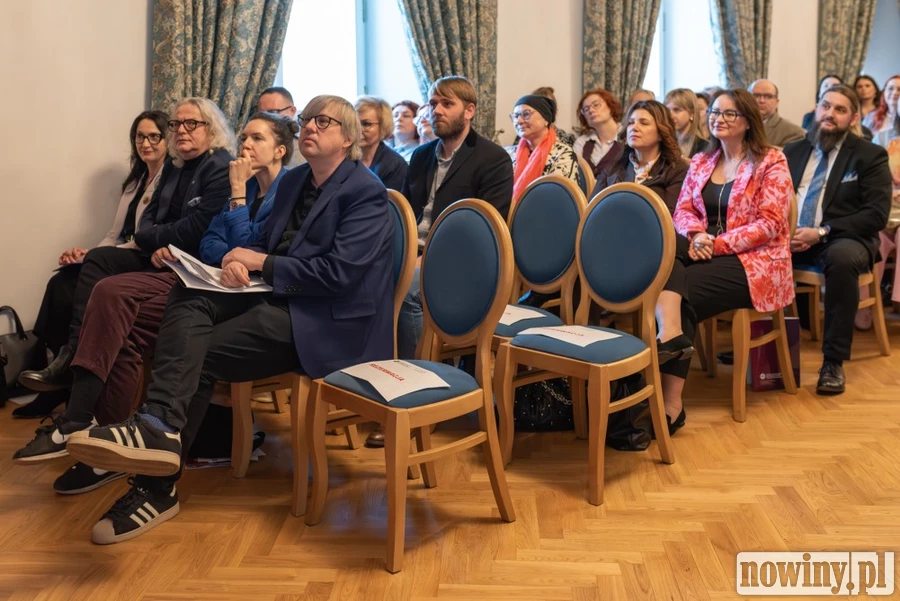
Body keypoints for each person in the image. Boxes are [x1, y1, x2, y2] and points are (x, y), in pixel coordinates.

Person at [66, 95, 396, 544]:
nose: (311, 128)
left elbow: (338, 276)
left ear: (349, 137)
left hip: (326, 319)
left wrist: (261, 263)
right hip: (276, 296)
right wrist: (237, 261)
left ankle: (157, 479)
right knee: (189, 291)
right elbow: (259, 237)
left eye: (324, 121)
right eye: (306, 120)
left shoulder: (366, 192)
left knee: (194, 353)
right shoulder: (297, 179)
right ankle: (158, 433)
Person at [11, 114, 294, 497]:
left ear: (280, 150)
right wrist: (228, 254)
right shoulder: (230, 183)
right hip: (210, 280)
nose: (244, 144)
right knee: (109, 303)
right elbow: (213, 241)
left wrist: (237, 204)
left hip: (240, 299)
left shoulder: (281, 190)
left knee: (112, 291)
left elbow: (251, 247)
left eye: (255, 138)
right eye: (243, 136)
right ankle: (103, 441)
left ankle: (81, 421)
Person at [18, 98, 234, 394]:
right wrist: (156, 238)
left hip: (187, 265)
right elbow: (142, 228)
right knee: (87, 266)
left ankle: (73, 367)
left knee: (95, 274)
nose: (181, 130)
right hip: (155, 254)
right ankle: (70, 356)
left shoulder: (219, 167)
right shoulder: (174, 166)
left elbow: (196, 229)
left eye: (191, 124)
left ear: (212, 129)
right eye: (176, 124)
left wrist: (158, 238)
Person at [375, 75, 513, 449]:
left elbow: (488, 231)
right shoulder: (420, 156)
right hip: (413, 256)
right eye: (433, 102)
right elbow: (403, 217)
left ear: (469, 111)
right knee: (354, 281)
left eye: (446, 104)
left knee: (408, 294)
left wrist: (425, 259)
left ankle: (414, 400)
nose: (436, 110)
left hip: (465, 266)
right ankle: (373, 390)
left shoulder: (493, 159)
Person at [13, 110, 169, 419]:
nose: (146, 143)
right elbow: (114, 234)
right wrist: (87, 254)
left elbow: (143, 238)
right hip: (120, 255)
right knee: (61, 284)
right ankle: (58, 378)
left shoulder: (170, 182)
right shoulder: (135, 180)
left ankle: (70, 366)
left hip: (143, 262)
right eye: (140, 136)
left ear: (167, 140)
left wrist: (93, 257)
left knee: (89, 268)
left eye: (154, 136)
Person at [655, 88, 794, 434]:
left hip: (756, 262)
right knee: (664, 262)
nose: (718, 118)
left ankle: (669, 401)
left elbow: (769, 224)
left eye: (729, 113)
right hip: (702, 249)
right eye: (715, 112)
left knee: (678, 289)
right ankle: (670, 340)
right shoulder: (702, 160)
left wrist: (714, 243)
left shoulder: (771, 161)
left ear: (748, 121)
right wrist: (697, 236)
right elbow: (683, 210)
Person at [784, 84, 891, 395]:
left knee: (842, 261)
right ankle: (758, 340)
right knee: (752, 253)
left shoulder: (869, 155)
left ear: (853, 117)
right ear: (816, 109)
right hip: (793, 236)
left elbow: (875, 215)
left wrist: (821, 231)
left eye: (840, 109)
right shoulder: (794, 151)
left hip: (844, 237)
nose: (830, 114)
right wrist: (784, 232)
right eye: (825, 106)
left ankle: (833, 362)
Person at [592, 100, 687, 213]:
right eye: (631, 122)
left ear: (662, 133)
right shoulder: (614, 167)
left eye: (644, 123)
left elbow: (670, 218)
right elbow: (593, 210)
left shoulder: (677, 171)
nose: (634, 128)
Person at [508, 94, 579, 202]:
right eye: (516, 116)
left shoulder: (562, 154)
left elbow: (558, 196)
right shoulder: (507, 154)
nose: (519, 121)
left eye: (526, 114)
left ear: (546, 119)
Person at [355, 96, 408, 190]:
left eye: (366, 124)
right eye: (354, 123)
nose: (358, 129)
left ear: (383, 127)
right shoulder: (341, 157)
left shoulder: (395, 165)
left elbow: (390, 202)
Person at [573, 88, 623, 178]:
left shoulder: (628, 137)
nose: (591, 110)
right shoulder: (581, 142)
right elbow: (576, 175)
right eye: (586, 109)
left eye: (596, 105)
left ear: (610, 106)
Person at [748, 79, 805, 147]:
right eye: (756, 96)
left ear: (776, 102)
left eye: (768, 96)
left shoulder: (794, 133)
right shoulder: (737, 125)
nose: (762, 100)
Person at [257, 86, 303, 167]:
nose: (266, 119)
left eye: (273, 113)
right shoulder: (253, 146)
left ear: (292, 111)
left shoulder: (303, 148)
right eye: (262, 114)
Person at [665, 88, 708, 158]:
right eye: (667, 110)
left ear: (692, 113)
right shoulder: (665, 143)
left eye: (677, 110)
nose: (670, 116)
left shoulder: (704, 146)